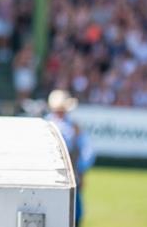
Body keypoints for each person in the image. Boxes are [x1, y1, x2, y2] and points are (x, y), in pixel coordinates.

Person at [45, 89, 94, 226]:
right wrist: (82, 169)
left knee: (72, 212)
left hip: (66, 173)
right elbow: (87, 150)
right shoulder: (71, 127)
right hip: (64, 173)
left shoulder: (47, 124)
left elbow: (86, 150)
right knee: (72, 212)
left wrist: (81, 169)